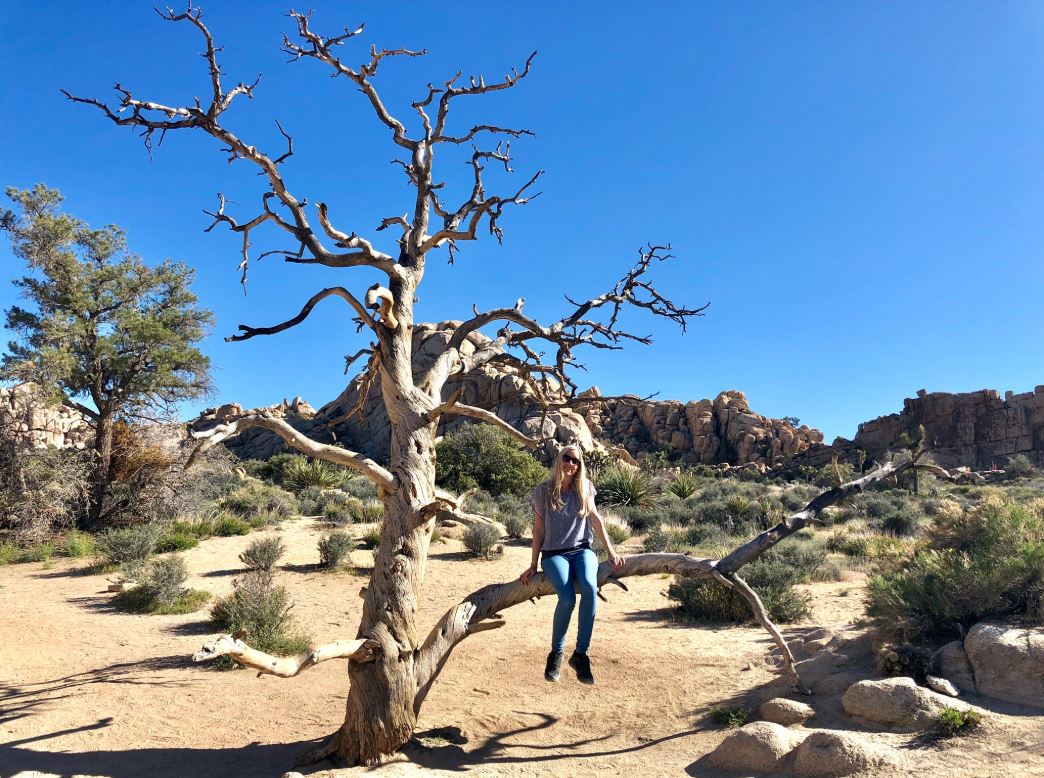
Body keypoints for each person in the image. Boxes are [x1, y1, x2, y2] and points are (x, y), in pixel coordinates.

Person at [520, 445, 624, 684]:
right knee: (567, 598)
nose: (571, 464)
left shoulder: (585, 488)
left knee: (589, 588)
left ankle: (580, 654)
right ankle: (556, 653)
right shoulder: (543, 492)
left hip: (581, 550)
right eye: (567, 459)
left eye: (576, 461)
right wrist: (533, 564)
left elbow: (596, 520)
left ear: (580, 466)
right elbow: (538, 530)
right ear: (559, 460)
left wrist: (611, 551)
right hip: (554, 553)